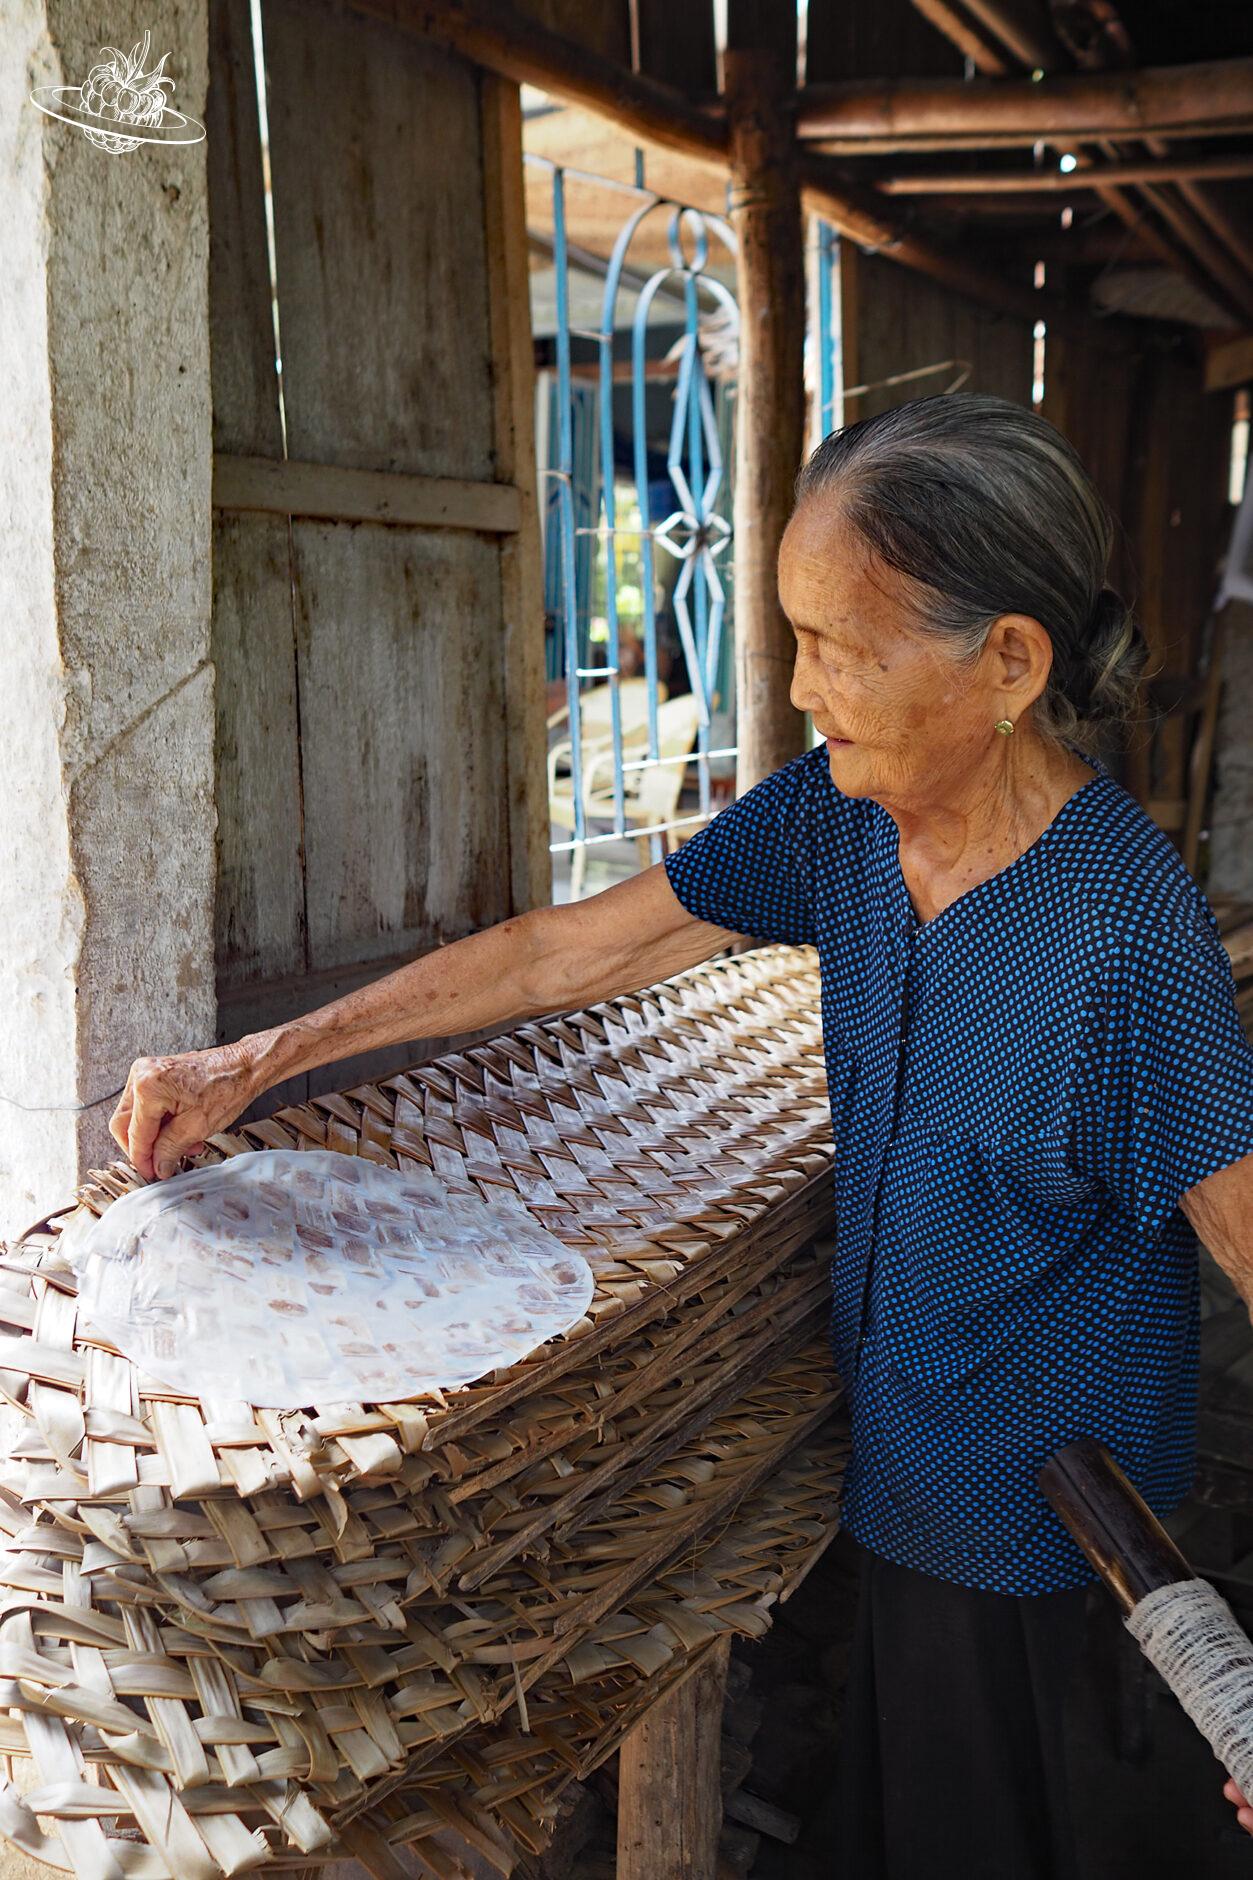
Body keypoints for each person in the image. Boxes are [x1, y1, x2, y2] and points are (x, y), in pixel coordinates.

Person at [111, 394, 1253, 1875]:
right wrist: (261, 1061)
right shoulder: (844, 817)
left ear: (1008, 665)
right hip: (899, 1478)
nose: (801, 684)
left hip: (1059, 1534)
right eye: (794, 635)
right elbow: (566, 953)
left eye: (840, 646)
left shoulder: (1124, 937)